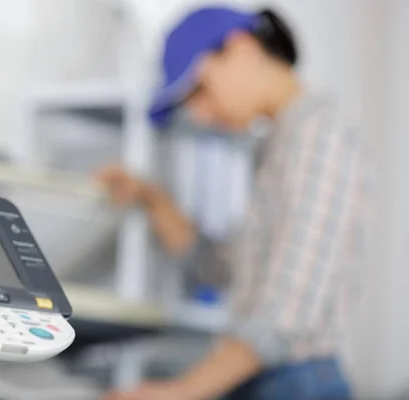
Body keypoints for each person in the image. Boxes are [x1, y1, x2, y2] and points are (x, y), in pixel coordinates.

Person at [99, 6, 370, 400]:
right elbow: (222, 266)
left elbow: (285, 315)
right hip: (263, 376)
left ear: (240, 49)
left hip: (299, 383)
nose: (202, 116)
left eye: (200, 90)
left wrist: (180, 391)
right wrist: (153, 199)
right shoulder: (276, 145)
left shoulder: (321, 137)